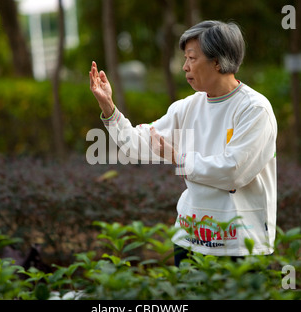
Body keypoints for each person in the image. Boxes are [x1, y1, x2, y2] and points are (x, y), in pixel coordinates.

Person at [89, 20, 277, 267]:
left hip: (239, 243)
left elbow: (233, 171)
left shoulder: (254, 109)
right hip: (190, 239)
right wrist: (109, 108)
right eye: (185, 58)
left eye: (191, 58)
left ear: (218, 61)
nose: (184, 66)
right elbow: (136, 145)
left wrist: (178, 158)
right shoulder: (186, 107)